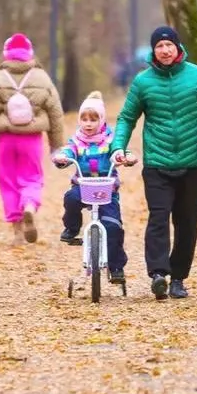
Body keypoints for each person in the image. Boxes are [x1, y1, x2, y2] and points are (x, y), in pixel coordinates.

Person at [112, 26, 197, 300]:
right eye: (159, 46)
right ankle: (158, 274)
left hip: (192, 164)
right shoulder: (143, 82)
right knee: (158, 217)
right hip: (157, 163)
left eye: (169, 45)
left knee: (187, 222)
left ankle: (178, 278)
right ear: (153, 51)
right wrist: (118, 145)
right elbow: (126, 118)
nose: (164, 51)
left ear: (178, 47)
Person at [0, 33, 65, 245]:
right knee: (32, 177)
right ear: (29, 54)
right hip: (31, 138)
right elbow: (55, 113)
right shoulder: (41, 78)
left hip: (4, 139)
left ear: (6, 54)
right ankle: (29, 207)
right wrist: (56, 145)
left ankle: (17, 232)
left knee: (7, 182)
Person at [52, 91, 133, 284]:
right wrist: (62, 157)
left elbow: (119, 152)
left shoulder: (111, 140)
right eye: (84, 119)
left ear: (102, 120)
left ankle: (116, 267)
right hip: (84, 186)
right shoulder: (77, 141)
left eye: (93, 119)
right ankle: (72, 228)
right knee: (70, 198)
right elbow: (68, 150)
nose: (88, 124)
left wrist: (126, 157)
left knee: (113, 227)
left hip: (107, 190)